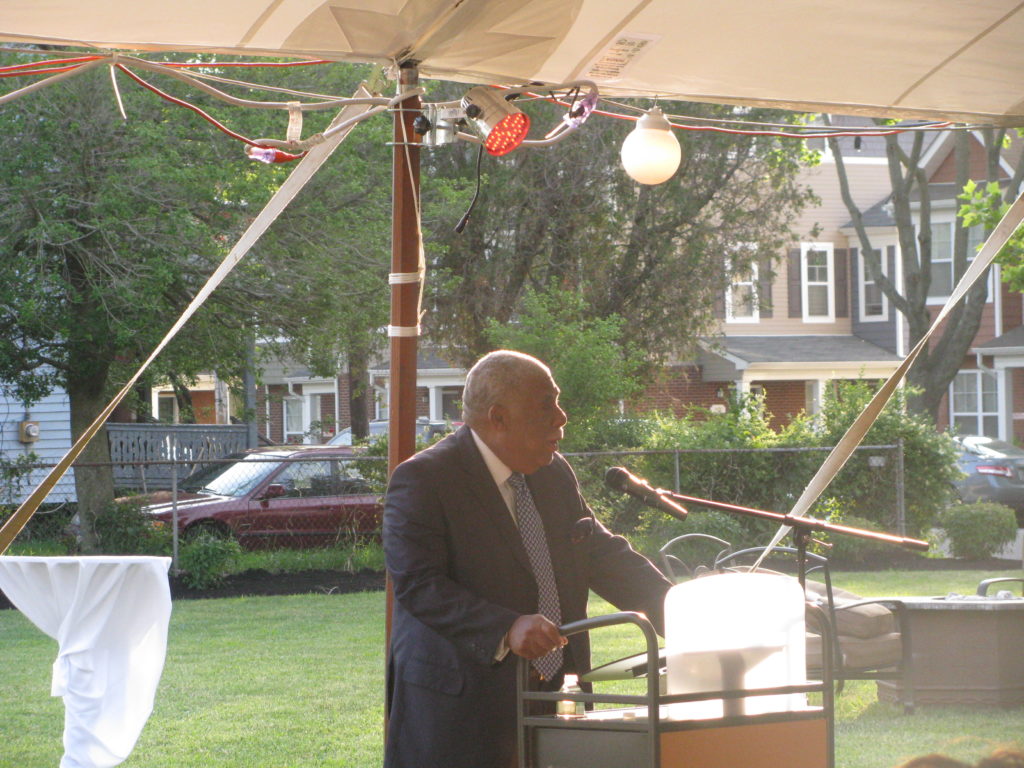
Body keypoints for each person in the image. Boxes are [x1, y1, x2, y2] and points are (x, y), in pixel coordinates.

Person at [383, 350, 673, 768]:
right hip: (461, 715)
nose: (561, 417)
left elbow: (604, 556)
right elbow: (419, 585)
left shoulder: (553, 473)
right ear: (498, 417)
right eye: (546, 405)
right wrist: (504, 627)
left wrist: (686, 614)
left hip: (556, 698)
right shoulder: (425, 479)